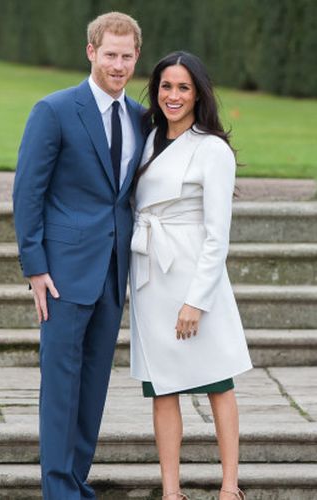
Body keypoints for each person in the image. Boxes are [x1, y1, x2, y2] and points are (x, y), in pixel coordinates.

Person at [13, 12, 145, 499]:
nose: (118, 64)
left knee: (92, 389)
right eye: (109, 54)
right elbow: (28, 192)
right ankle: (58, 490)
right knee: (61, 387)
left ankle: (76, 483)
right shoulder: (54, 110)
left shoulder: (138, 117)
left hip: (113, 272)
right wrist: (35, 267)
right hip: (63, 274)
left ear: (136, 58)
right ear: (91, 52)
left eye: (126, 56)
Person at [129, 51, 252, 500]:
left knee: (218, 381)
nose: (173, 95)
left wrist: (196, 300)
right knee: (163, 387)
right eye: (166, 86)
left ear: (198, 92)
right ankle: (170, 491)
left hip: (195, 276)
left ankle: (229, 487)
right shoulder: (145, 138)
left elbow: (218, 236)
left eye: (183, 87)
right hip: (149, 276)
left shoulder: (212, 148)